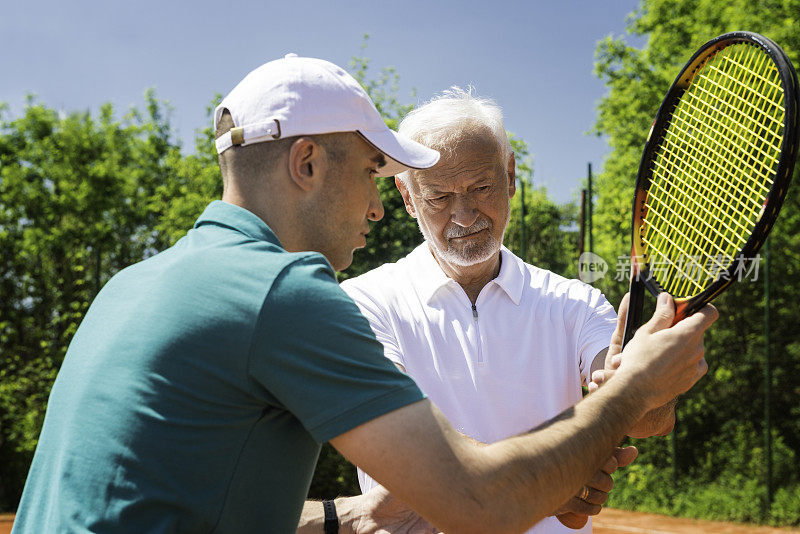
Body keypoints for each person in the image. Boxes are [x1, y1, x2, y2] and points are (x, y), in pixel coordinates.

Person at [11, 56, 716, 534]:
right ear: (308, 163)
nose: (378, 209)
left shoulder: (129, 285)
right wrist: (626, 394)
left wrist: (357, 518)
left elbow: (176, 507)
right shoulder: (287, 293)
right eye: (375, 173)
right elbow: (477, 499)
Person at [340, 88, 678, 533]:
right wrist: (549, 480)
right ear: (406, 195)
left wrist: (645, 373)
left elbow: (652, 419)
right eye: (438, 196)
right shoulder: (363, 302)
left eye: (481, 187)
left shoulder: (575, 302)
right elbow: (408, 448)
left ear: (511, 175)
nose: (463, 216)